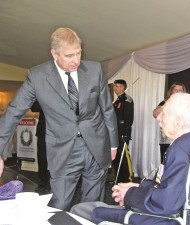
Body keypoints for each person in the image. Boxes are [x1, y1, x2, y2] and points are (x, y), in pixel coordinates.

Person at [0, 27, 118, 211]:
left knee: (92, 206)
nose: (76, 61)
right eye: (69, 56)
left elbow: (107, 109)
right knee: (59, 205)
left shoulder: (94, 70)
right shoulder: (37, 77)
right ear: (54, 54)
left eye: (79, 53)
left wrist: (113, 144)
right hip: (63, 150)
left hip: (96, 145)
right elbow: (14, 111)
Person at [70, 92, 190, 225]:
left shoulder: (180, 148)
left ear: (178, 122)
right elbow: (174, 189)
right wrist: (138, 187)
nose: (158, 118)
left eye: (164, 114)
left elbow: (167, 202)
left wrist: (129, 195)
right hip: (173, 215)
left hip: (162, 219)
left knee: (81, 210)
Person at [153, 82, 186, 162]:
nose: (177, 92)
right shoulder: (164, 102)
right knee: (165, 162)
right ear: (171, 91)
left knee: (179, 162)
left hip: (182, 139)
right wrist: (169, 103)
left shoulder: (187, 103)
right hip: (166, 139)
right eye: (175, 90)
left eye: (180, 90)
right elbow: (155, 114)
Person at [112, 79, 134, 183]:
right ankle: (118, 179)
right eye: (115, 86)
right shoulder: (117, 101)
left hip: (122, 134)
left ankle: (128, 179)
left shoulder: (127, 100)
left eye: (117, 86)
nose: (115, 88)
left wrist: (125, 134)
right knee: (116, 157)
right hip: (115, 134)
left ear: (123, 87)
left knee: (124, 157)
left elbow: (129, 119)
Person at [30, 101, 50, 193]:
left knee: (60, 160)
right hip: (43, 132)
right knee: (42, 158)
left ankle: (58, 184)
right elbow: (34, 108)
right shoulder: (42, 92)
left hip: (59, 132)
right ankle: (43, 182)